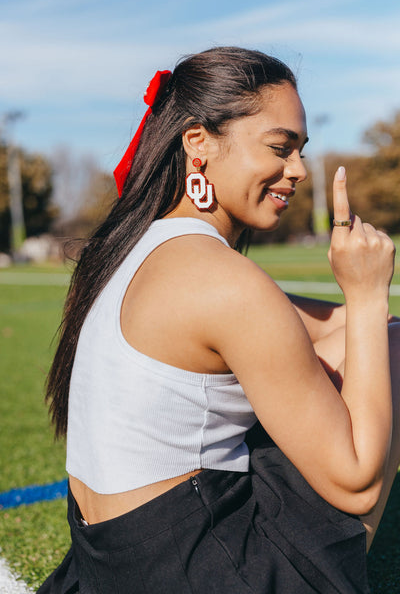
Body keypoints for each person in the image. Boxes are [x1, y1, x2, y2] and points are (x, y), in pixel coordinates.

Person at [38, 46, 399, 593]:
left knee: (378, 339)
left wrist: (366, 313)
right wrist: (370, 295)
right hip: (201, 571)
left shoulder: (141, 246)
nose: (297, 171)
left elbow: (331, 329)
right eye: (280, 148)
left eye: (300, 151)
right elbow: (357, 489)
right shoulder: (222, 281)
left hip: (113, 564)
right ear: (198, 143)